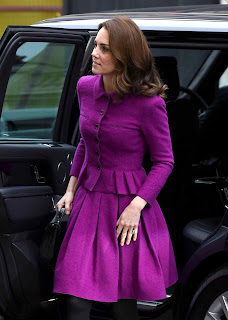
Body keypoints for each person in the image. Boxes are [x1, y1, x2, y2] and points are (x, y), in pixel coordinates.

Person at [53, 16, 178, 320]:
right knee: (76, 300)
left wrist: (137, 206)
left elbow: (165, 161)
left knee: (123, 303)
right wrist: (70, 190)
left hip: (129, 207)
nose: (94, 53)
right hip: (89, 198)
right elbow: (85, 141)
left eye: (104, 48)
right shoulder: (85, 88)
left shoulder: (149, 104)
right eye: (96, 45)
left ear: (124, 56)